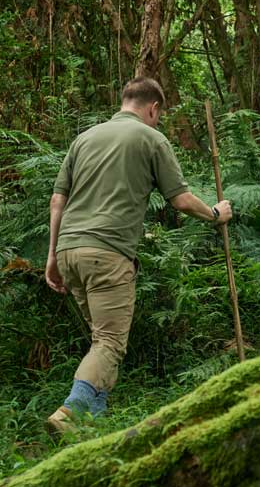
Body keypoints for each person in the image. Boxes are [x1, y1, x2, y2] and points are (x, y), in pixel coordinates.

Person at [43, 76, 232, 435]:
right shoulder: (151, 138)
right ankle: (71, 411)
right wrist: (215, 213)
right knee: (110, 344)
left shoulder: (84, 139)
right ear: (153, 107)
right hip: (107, 253)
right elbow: (180, 199)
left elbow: (57, 201)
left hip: (69, 251)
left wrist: (52, 256)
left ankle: (92, 429)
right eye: (159, 114)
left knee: (101, 343)